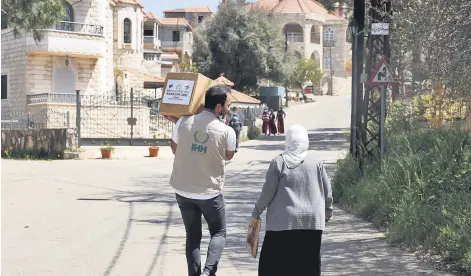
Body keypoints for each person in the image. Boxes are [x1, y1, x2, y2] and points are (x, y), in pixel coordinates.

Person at [168, 85, 237, 276]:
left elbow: (175, 149)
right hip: (209, 193)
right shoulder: (227, 131)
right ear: (218, 107)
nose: (228, 109)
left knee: (192, 236)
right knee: (218, 232)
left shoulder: (182, 122)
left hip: (182, 190)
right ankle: (208, 273)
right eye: (228, 105)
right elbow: (229, 155)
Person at [250, 125, 333, 276]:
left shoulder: (279, 162)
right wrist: (328, 211)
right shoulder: (316, 162)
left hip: (282, 224)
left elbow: (268, 192)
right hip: (312, 222)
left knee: (274, 266)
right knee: (308, 265)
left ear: (288, 140)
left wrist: (256, 212)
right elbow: (327, 191)